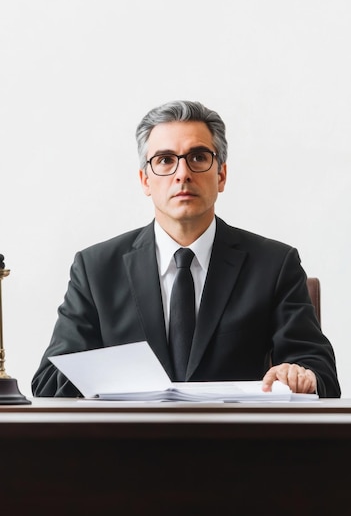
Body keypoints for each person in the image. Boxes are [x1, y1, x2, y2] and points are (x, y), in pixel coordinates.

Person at [32, 100, 341, 397]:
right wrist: (115, 374)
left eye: (198, 157)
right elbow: (48, 382)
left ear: (221, 174)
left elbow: (320, 370)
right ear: (145, 180)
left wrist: (301, 375)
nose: (182, 173)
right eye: (165, 160)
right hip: (127, 446)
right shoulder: (96, 268)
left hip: (237, 446)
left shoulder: (274, 264)